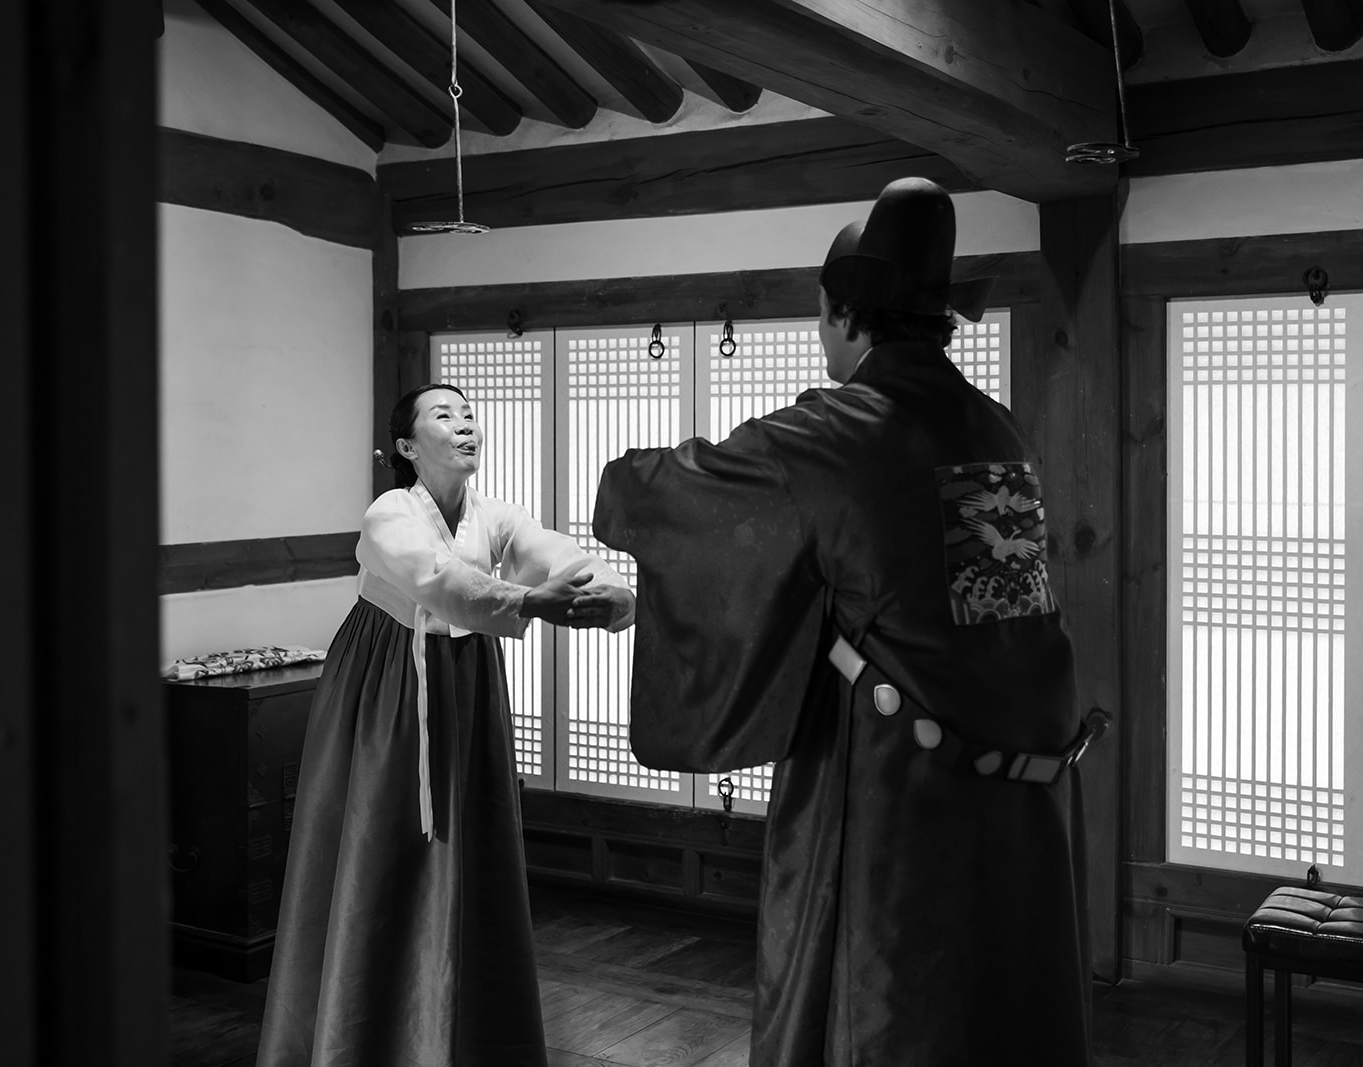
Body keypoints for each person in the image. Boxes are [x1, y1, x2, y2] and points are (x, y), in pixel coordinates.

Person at [592, 177, 1103, 1066]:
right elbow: (959, 600)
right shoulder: (993, 425)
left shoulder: (834, 428)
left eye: (823, 314)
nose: (822, 331)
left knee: (895, 996)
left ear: (848, 318)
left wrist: (619, 492)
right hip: (1021, 777)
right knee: (1001, 1000)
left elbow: (666, 495)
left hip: (902, 778)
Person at [258, 382, 635, 1067]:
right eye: (443, 415)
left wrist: (606, 587)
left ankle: (464, 1037)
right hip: (385, 688)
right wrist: (530, 601)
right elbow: (434, 580)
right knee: (382, 849)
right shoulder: (388, 514)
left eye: (468, 414)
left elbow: (551, 551)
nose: (464, 424)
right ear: (407, 446)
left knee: (470, 848)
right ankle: (360, 1037)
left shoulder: (492, 513)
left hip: (464, 683)